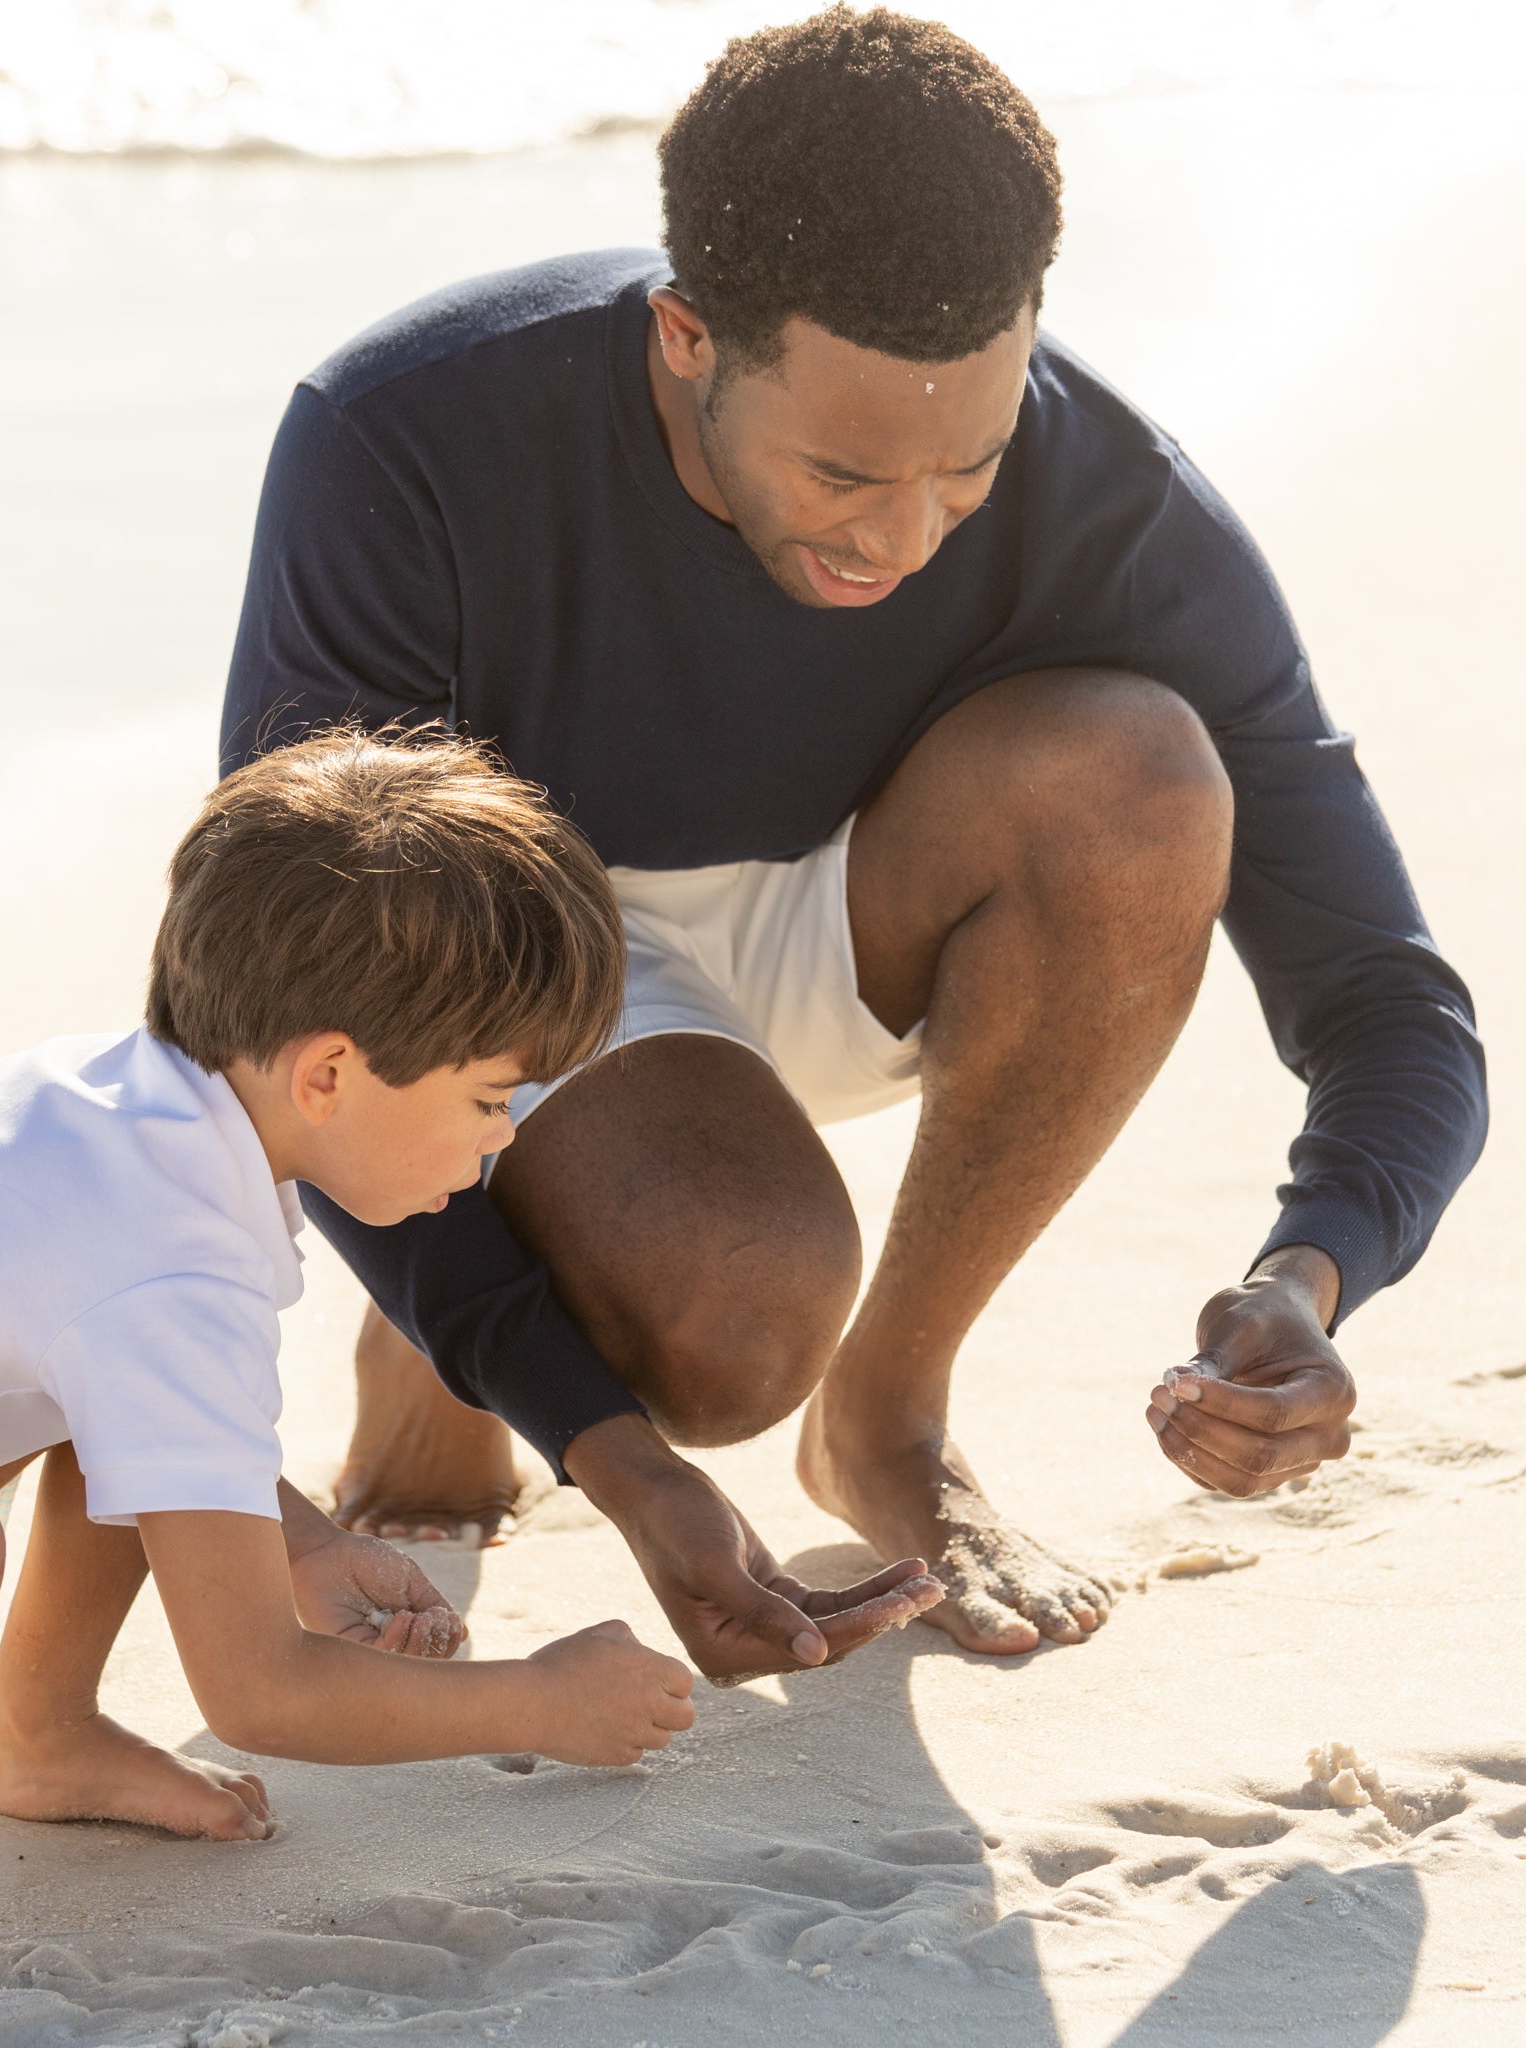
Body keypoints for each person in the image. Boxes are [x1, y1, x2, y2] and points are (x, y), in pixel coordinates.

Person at [222, 8, 1488, 1670]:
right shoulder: (405, 434)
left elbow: (1392, 1000)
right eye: (840, 473)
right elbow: (288, 992)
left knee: (1146, 778)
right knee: (731, 1329)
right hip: (502, 954)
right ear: (688, 337)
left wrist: (1308, 1280)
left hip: (856, 924)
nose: (902, 539)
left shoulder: (1119, 503)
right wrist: (614, 1454)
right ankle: (472, 1267)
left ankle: (888, 1415)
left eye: (967, 470)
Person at [0, 736, 909, 2030]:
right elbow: (261, 1690)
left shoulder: (138, 1125)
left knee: (90, 1420)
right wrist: (537, 1701)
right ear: (330, 1073)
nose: (507, 1143)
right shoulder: (168, 1259)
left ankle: (37, 1731)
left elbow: (149, 1412)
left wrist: (301, 1539)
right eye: (493, 1098)